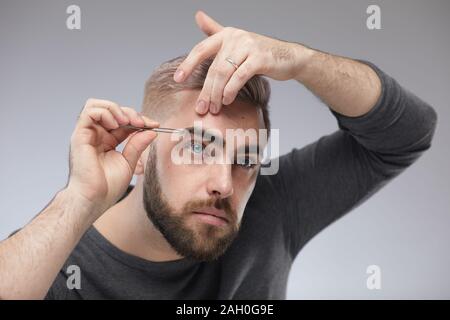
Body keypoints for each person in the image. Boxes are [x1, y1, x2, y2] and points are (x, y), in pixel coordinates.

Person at [0, 11, 437, 299]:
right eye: (197, 146)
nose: (224, 183)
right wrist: (79, 200)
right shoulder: (62, 266)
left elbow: (407, 134)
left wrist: (301, 61)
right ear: (144, 146)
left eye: (246, 159)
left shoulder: (272, 208)